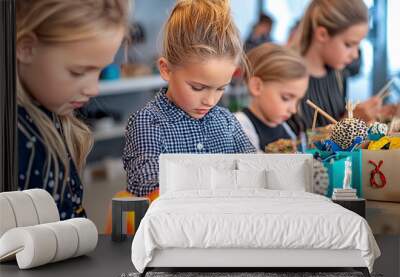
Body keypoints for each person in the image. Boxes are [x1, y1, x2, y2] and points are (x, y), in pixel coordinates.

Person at [122, 0, 256, 197]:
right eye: (197, 87)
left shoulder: (227, 121)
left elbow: (253, 168)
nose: (210, 101)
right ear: (166, 69)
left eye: (221, 89)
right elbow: (147, 186)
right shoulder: (149, 123)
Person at [16, 0, 129, 220]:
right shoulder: (19, 139)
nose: (94, 89)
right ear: (26, 48)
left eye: (99, 71)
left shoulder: (55, 119)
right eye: (78, 72)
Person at [290, 0, 385, 128]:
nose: (355, 55)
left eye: (358, 45)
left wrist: (358, 115)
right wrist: (348, 121)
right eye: (349, 44)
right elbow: (289, 144)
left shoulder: (338, 73)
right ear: (322, 34)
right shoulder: (288, 78)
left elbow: (335, 118)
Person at [235, 43, 309, 152]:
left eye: (297, 101)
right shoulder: (239, 128)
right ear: (257, 87)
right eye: (286, 98)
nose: (293, 110)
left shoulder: (285, 129)